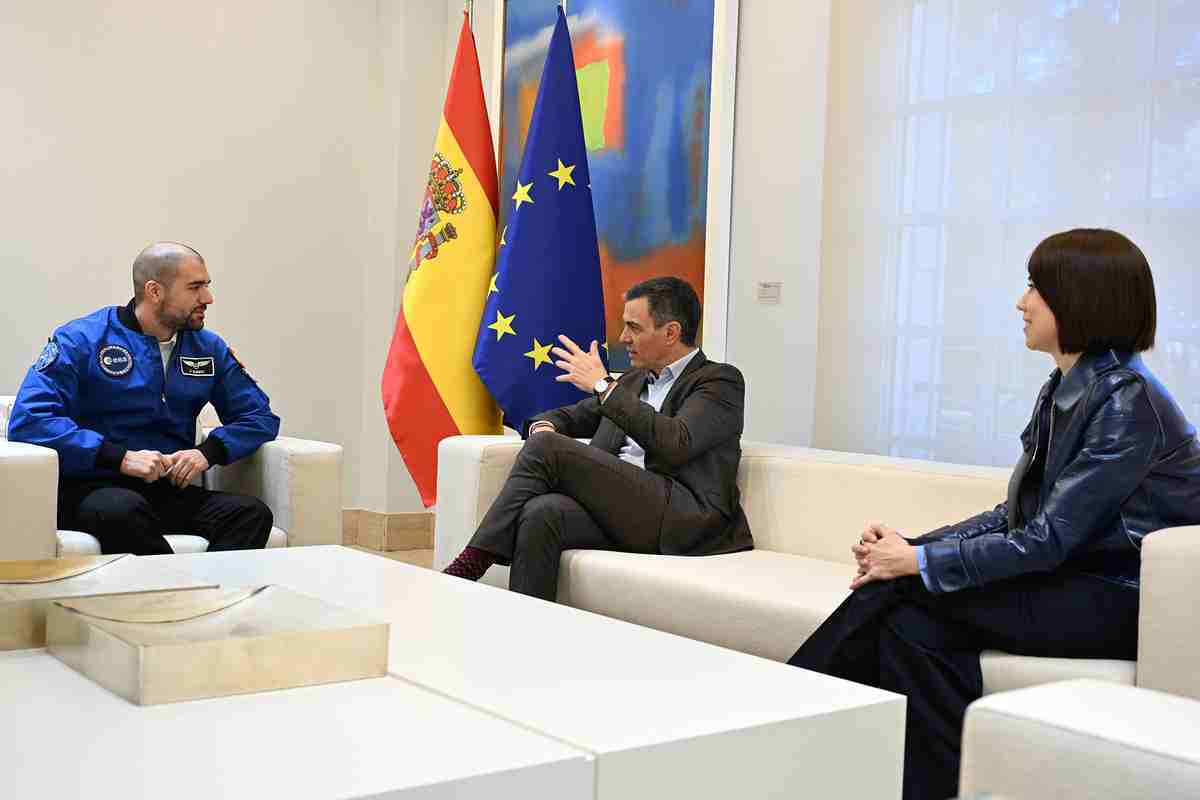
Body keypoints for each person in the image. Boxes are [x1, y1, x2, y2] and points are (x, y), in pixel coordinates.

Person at [788, 228, 1200, 800]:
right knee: (914, 627)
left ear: (1080, 298)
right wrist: (912, 547)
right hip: (1071, 578)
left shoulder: (1125, 400)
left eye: (1035, 287)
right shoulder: (1071, 385)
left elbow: (1046, 539)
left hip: (1117, 597)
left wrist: (915, 562)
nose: (1020, 302)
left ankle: (785, 727)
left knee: (903, 595)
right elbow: (1014, 514)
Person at [442, 276, 752, 600]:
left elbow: (676, 443)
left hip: (682, 518)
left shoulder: (719, 381)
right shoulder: (633, 382)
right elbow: (566, 417)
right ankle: (529, 632)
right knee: (542, 512)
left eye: (634, 327)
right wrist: (542, 428)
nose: (623, 337)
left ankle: (471, 563)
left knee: (549, 451)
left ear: (671, 332)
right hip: (627, 512)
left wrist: (604, 386)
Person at [9, 242, 281, 555]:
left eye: (206, 286)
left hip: (163, 490)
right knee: (123, 509)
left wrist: (208, 452)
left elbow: (259, 417)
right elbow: (30, 420)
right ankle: (182, 599)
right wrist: (120, 458)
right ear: (154, 291)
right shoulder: (82, 339)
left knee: (249, 513)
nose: (208, 298)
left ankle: (208, 597)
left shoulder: (207, 348)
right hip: (92, 489)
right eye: (195, 287)